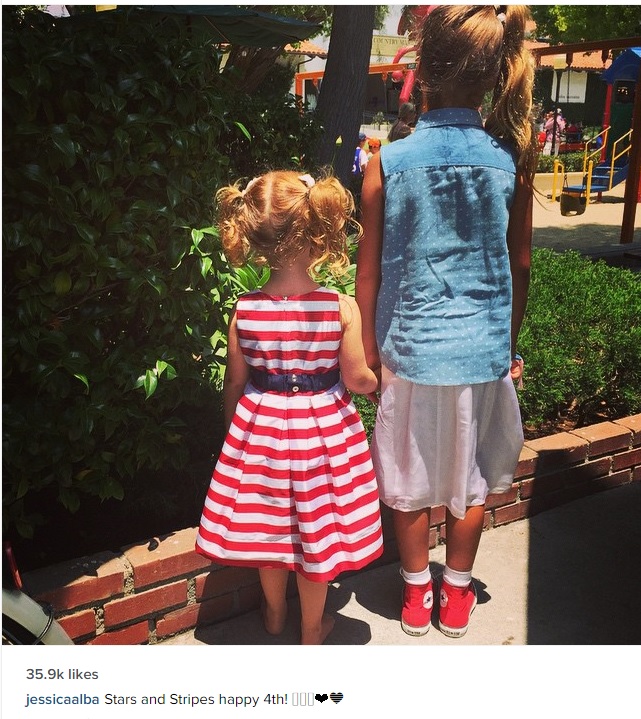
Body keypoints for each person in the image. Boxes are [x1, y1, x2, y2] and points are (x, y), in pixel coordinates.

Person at [357, 5, 536, 639]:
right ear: (494, 75)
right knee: (473, 478)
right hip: (482, 351)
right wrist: (507, 343)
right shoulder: (511, 158)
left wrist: (369, 348)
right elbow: (520, 263)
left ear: (424, 69)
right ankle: (456, 595)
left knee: (407, 478)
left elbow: (369, 271)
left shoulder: (388, 160)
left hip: (409, 348)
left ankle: (415, 595)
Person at [196, 170, 383, 645]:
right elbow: (356, 377)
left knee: (271, 531)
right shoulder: (339, 307)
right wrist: (378, 382)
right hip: (322, 438)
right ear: (316, 229)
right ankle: (312, 628)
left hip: (261, 435)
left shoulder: (245, 309)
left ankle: (275, 613)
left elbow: (234, 381)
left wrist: (233, 433)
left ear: (256, 238)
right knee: (316, 535)